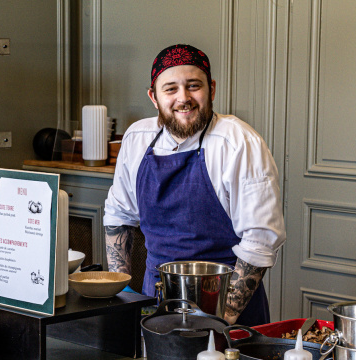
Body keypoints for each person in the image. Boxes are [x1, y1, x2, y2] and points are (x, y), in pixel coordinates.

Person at [103, 44, 285, 326]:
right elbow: (119, 217)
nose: (183, 98)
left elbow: (260, 243)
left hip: (228, 305)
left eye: (193, 86)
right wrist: (123, 290)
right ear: (154, 97)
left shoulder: (238, 142)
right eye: (170, 89)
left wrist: (218, 320)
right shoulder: (137, 138)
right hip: (157, 300)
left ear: (211, 88)